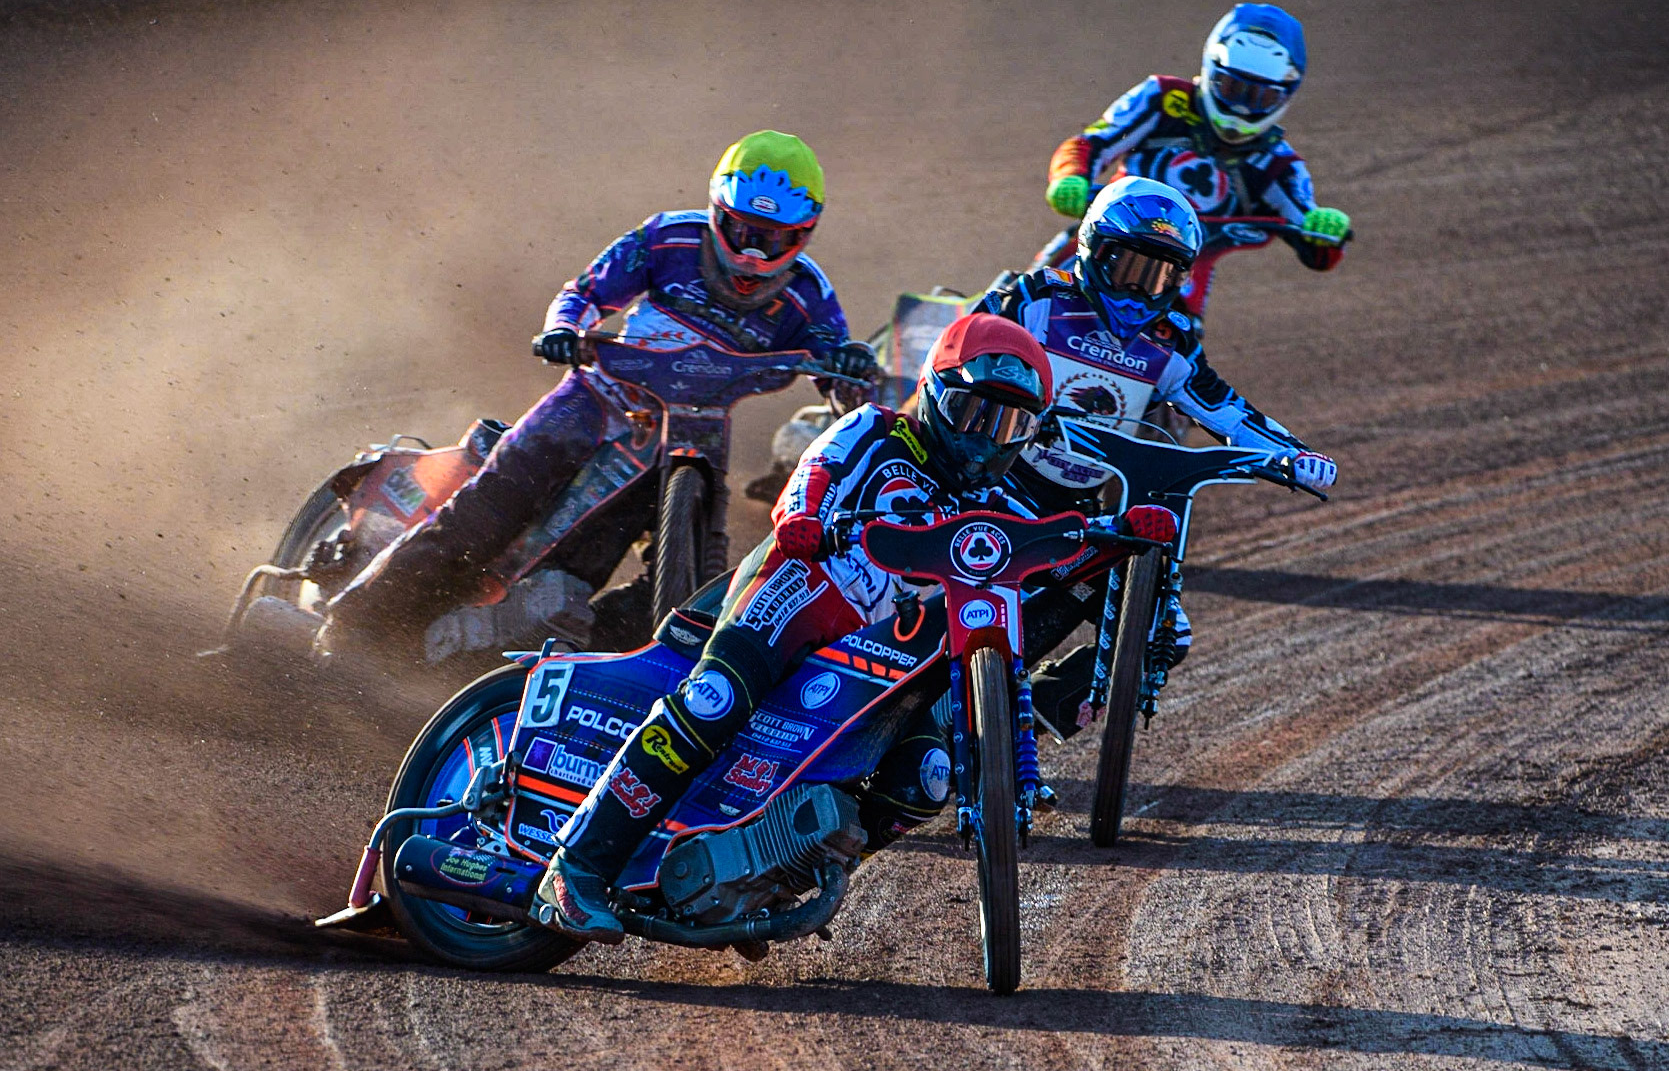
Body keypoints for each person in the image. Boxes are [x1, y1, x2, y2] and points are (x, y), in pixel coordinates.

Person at [535, 313, 1055, 943]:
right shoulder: (874, 429)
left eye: (1009, 425)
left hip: (879, 654)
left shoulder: (997, 504)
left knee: (925, 779)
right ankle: (575, 867)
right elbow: (814, 474)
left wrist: (1127, 537)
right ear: (938, 391)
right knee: (712, 702)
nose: (986, 438)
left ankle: (770, 878)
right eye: (975, 412)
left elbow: (1057, 543)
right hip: (795, 593)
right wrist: (805, 518)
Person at [315, 131, 877, 661]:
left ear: (804, 234)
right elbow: (586, 291)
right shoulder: (667, 238)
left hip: (692, 439)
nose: (754, 254)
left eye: (774, 239)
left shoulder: (810, 298)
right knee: (481, 519)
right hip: (593, 400)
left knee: (688, 592)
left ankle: (565, 666)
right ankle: (344, 630)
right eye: (741, 231)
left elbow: (836, 364)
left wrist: (850, 372)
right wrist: (565, 328)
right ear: (715, 213)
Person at [976, 176, 1337, 740]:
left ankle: (1011, 733)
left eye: (1163, 275)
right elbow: (958, 358)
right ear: (1095, 250)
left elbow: (1224, 409)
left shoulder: (1172, 337)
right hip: (989, 483)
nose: (1142, 290)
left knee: (1163, 635)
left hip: (1078, 509)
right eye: (1130, 269)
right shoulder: (1033, 298)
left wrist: (1289, 455)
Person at [1041, 3, 1351, 331]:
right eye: (1233, 89)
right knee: (1022, 296)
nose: (1243, 106)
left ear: (1284, 96)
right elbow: (1091, 142)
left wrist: (1327, 231)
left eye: (1260, 98)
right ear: (1210, 70)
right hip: (1100, 240)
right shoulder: (1163, 99)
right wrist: (1069, 178)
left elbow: (1316, 247)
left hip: (1181, 278)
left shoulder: (1281, 165)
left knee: (1179, 360)